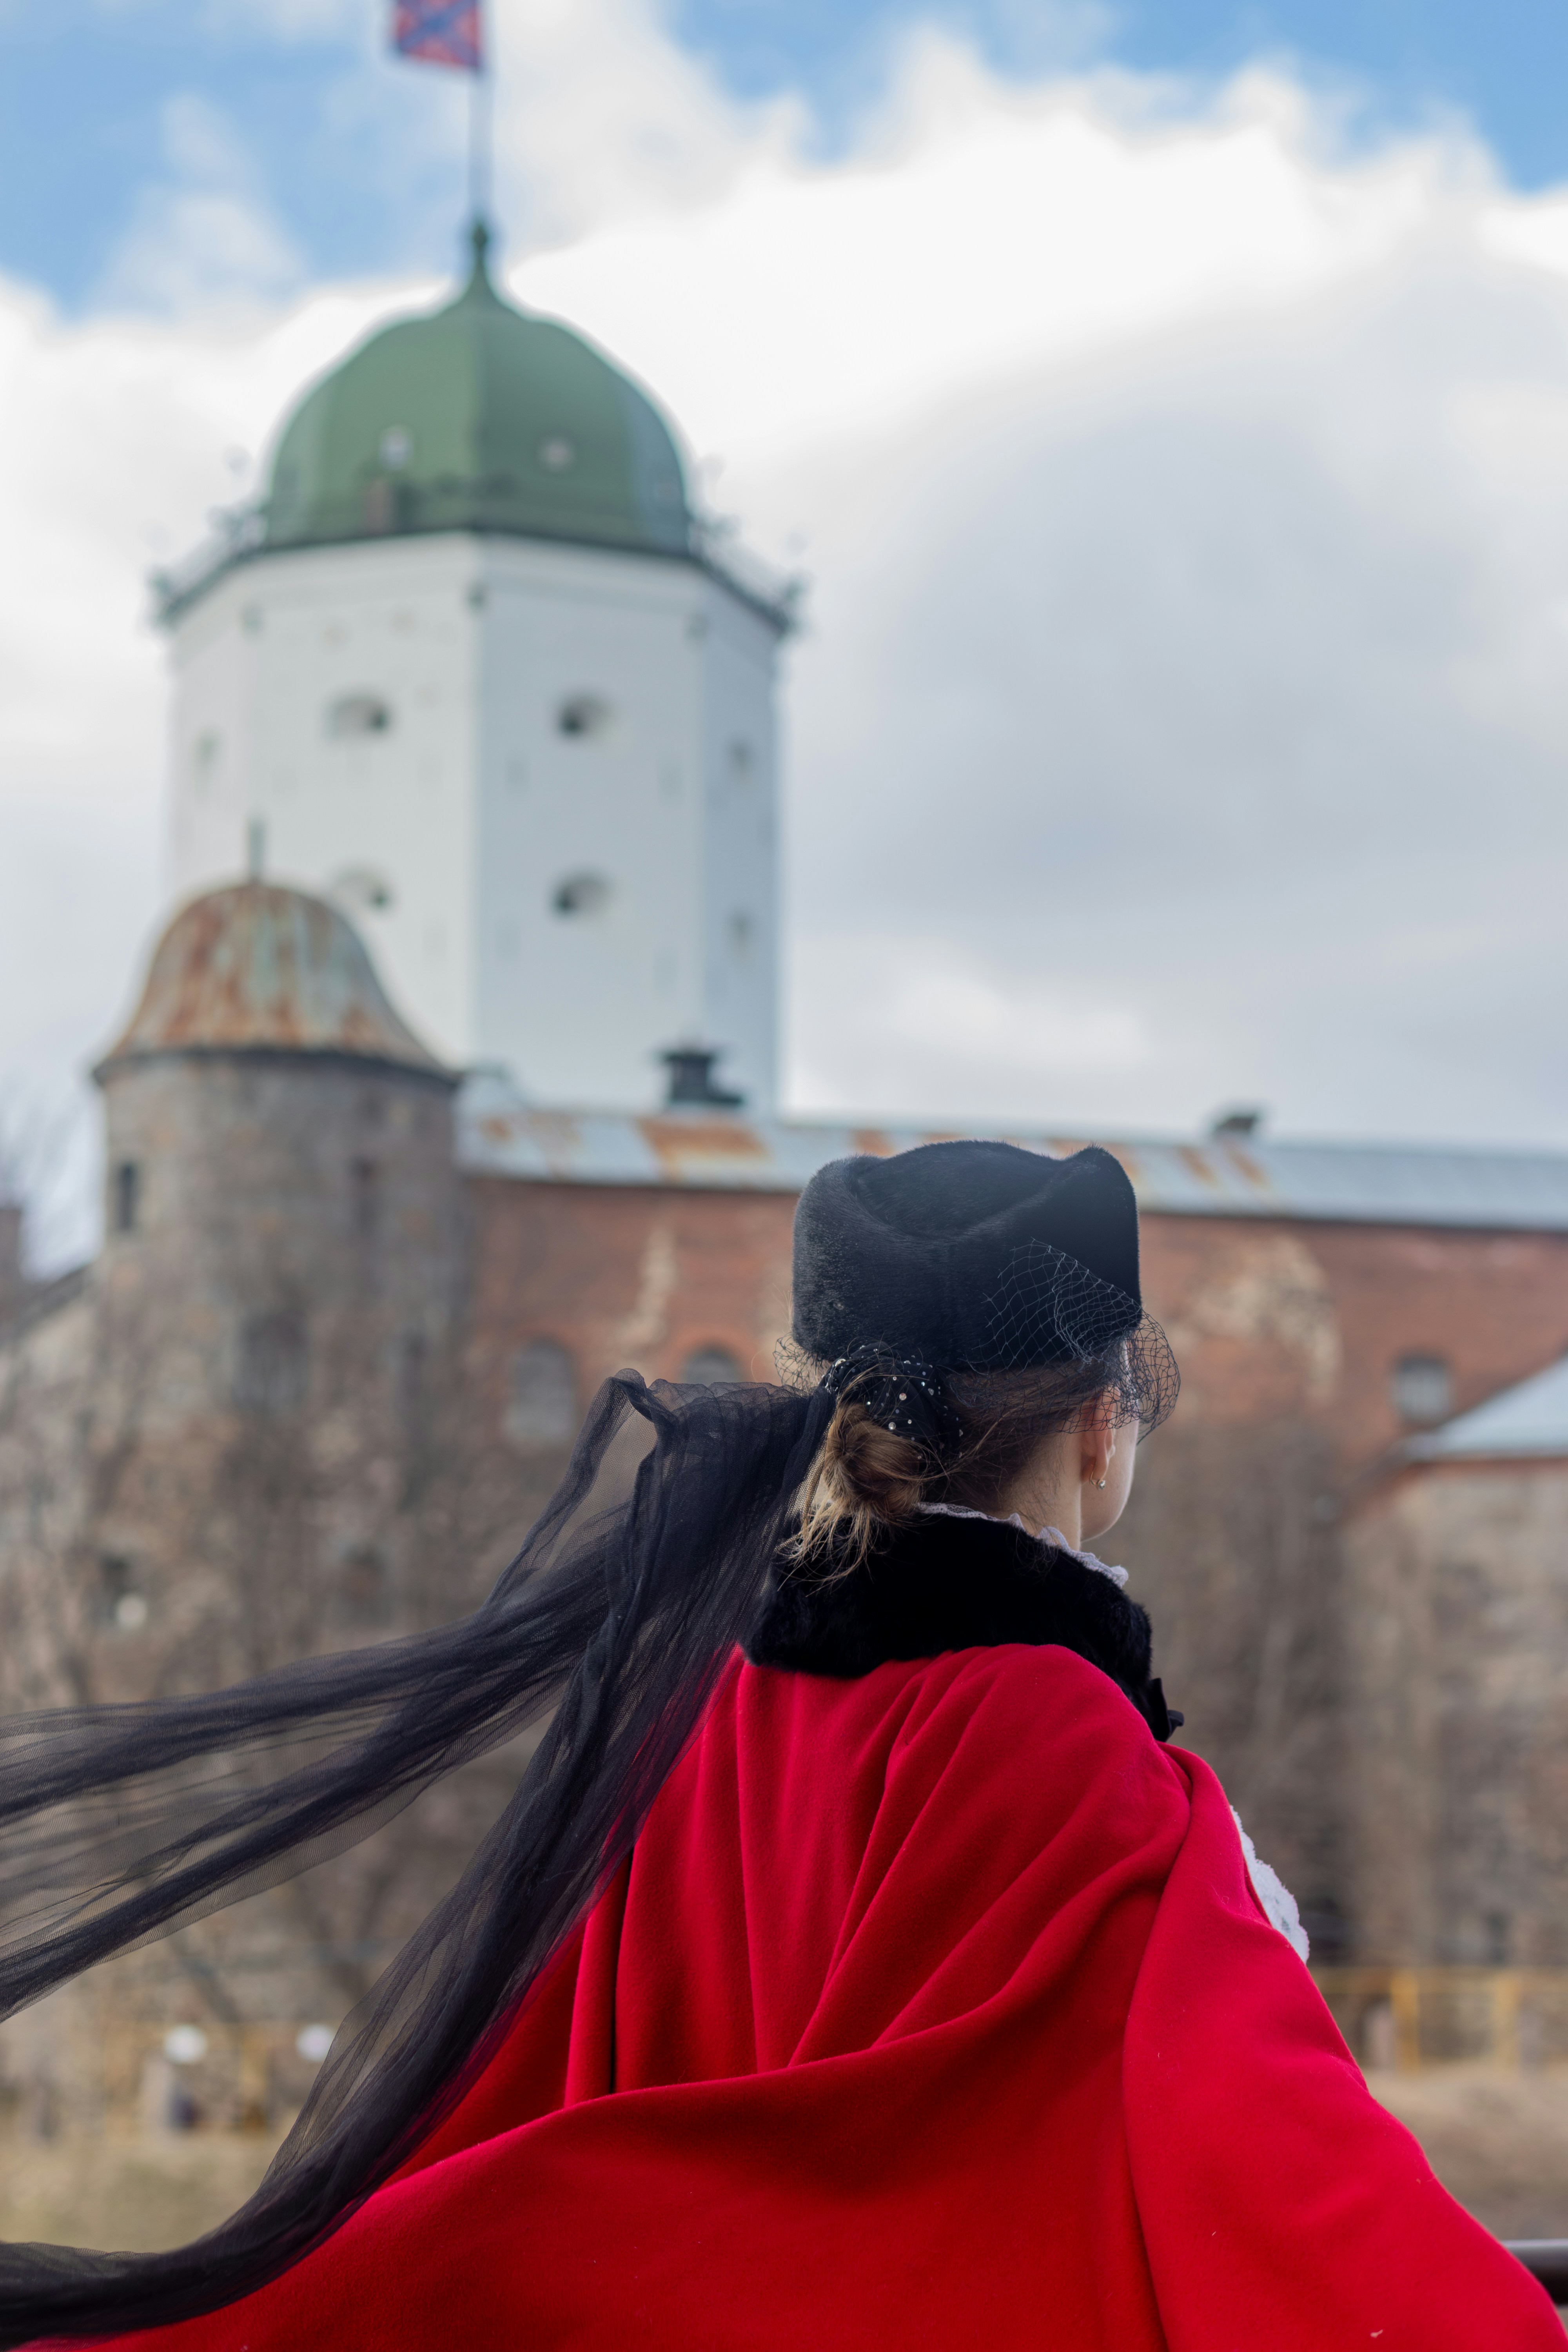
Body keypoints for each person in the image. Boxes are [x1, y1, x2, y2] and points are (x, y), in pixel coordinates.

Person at [0, 1141, 1557, 2348]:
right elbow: (1258, 2151)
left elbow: (564, 2084)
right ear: (1101, 1424)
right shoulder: (1050, 1727)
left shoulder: (707, 1702)